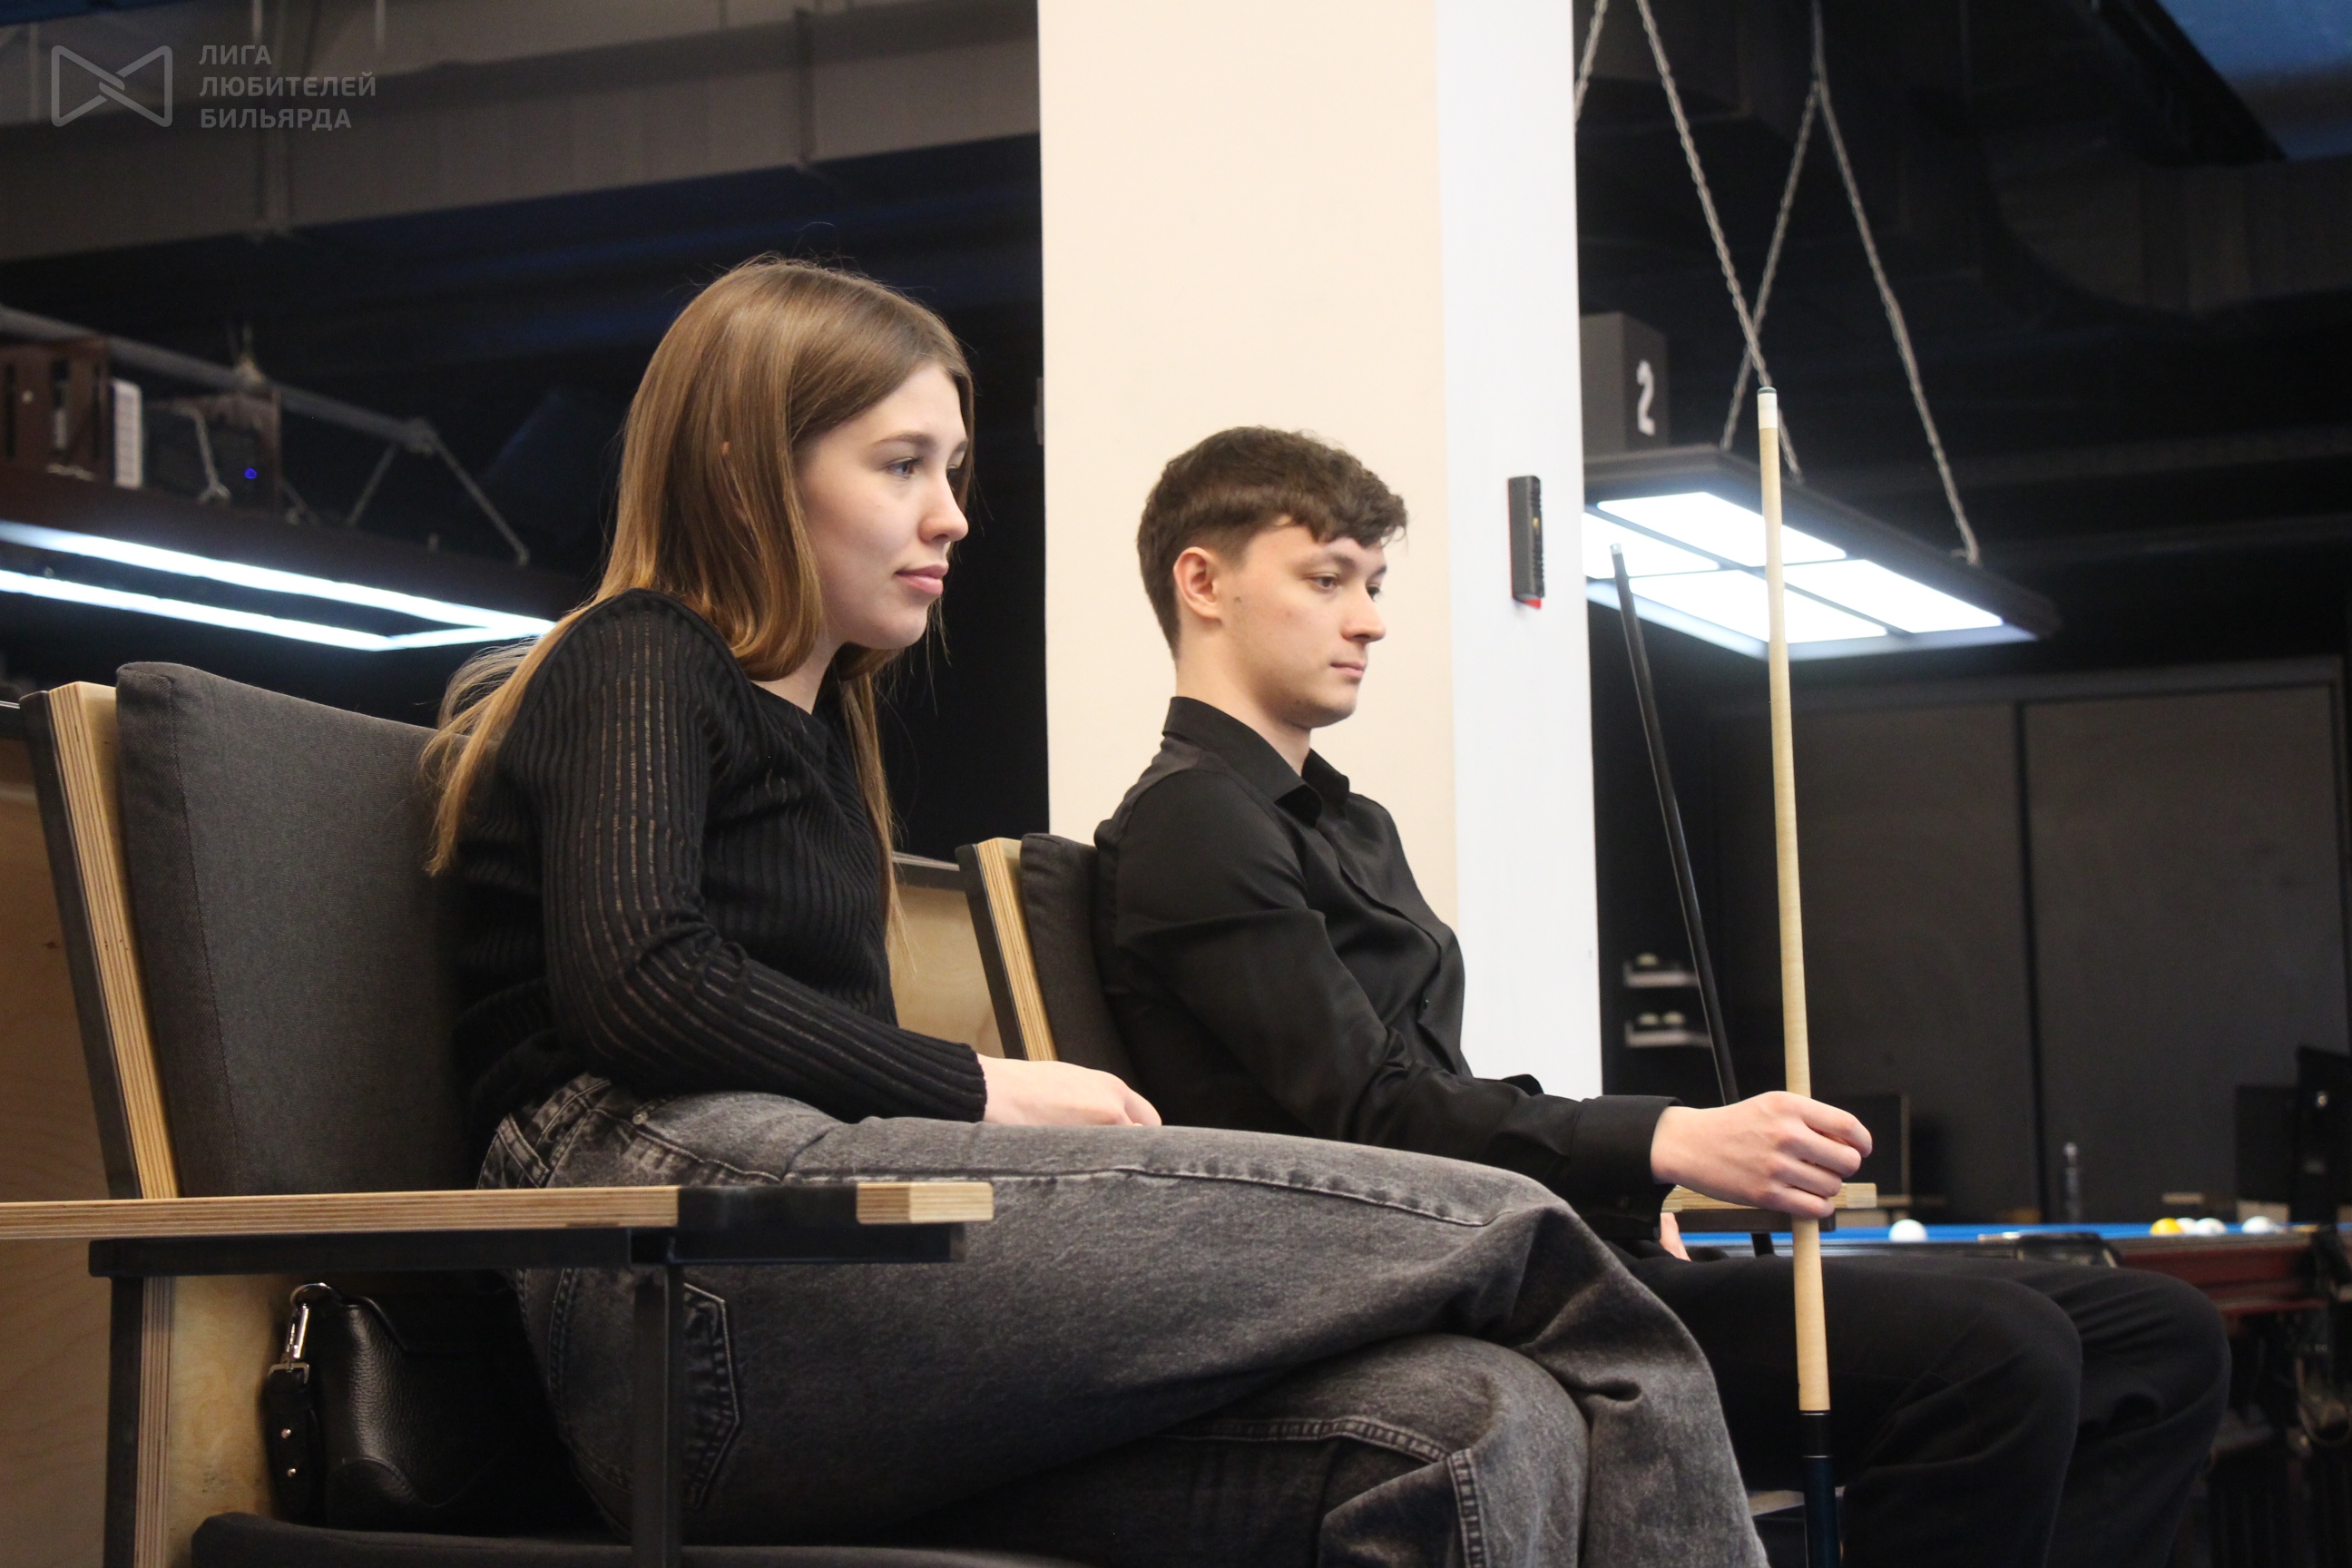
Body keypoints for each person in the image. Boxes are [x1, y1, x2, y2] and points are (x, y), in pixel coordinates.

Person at [425, 259, 1767, 1568]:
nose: (952, 515)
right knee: (1536, 1246)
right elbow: (641, 982)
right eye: (901, 466)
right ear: (742, 472)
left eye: (953, 470)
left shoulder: (824, 738)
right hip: (660, 1281)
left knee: (1478, 1422)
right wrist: (976, 1086)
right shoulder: (639, 650)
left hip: (787, 1289)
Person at [1092, 426, 2231, 1568]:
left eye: (1374, 585)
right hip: (1412, 1298)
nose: (1370, 621)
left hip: (1517, 1257)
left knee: (2162, 1335)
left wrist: (1610, 1193)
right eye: (1328, 579)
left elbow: (1428, 1092)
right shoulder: (1194, 818)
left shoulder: (1350, 823)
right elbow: (1367, 1113)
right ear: (1204, 583)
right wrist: (1668, 1140)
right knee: (2001, 1349)